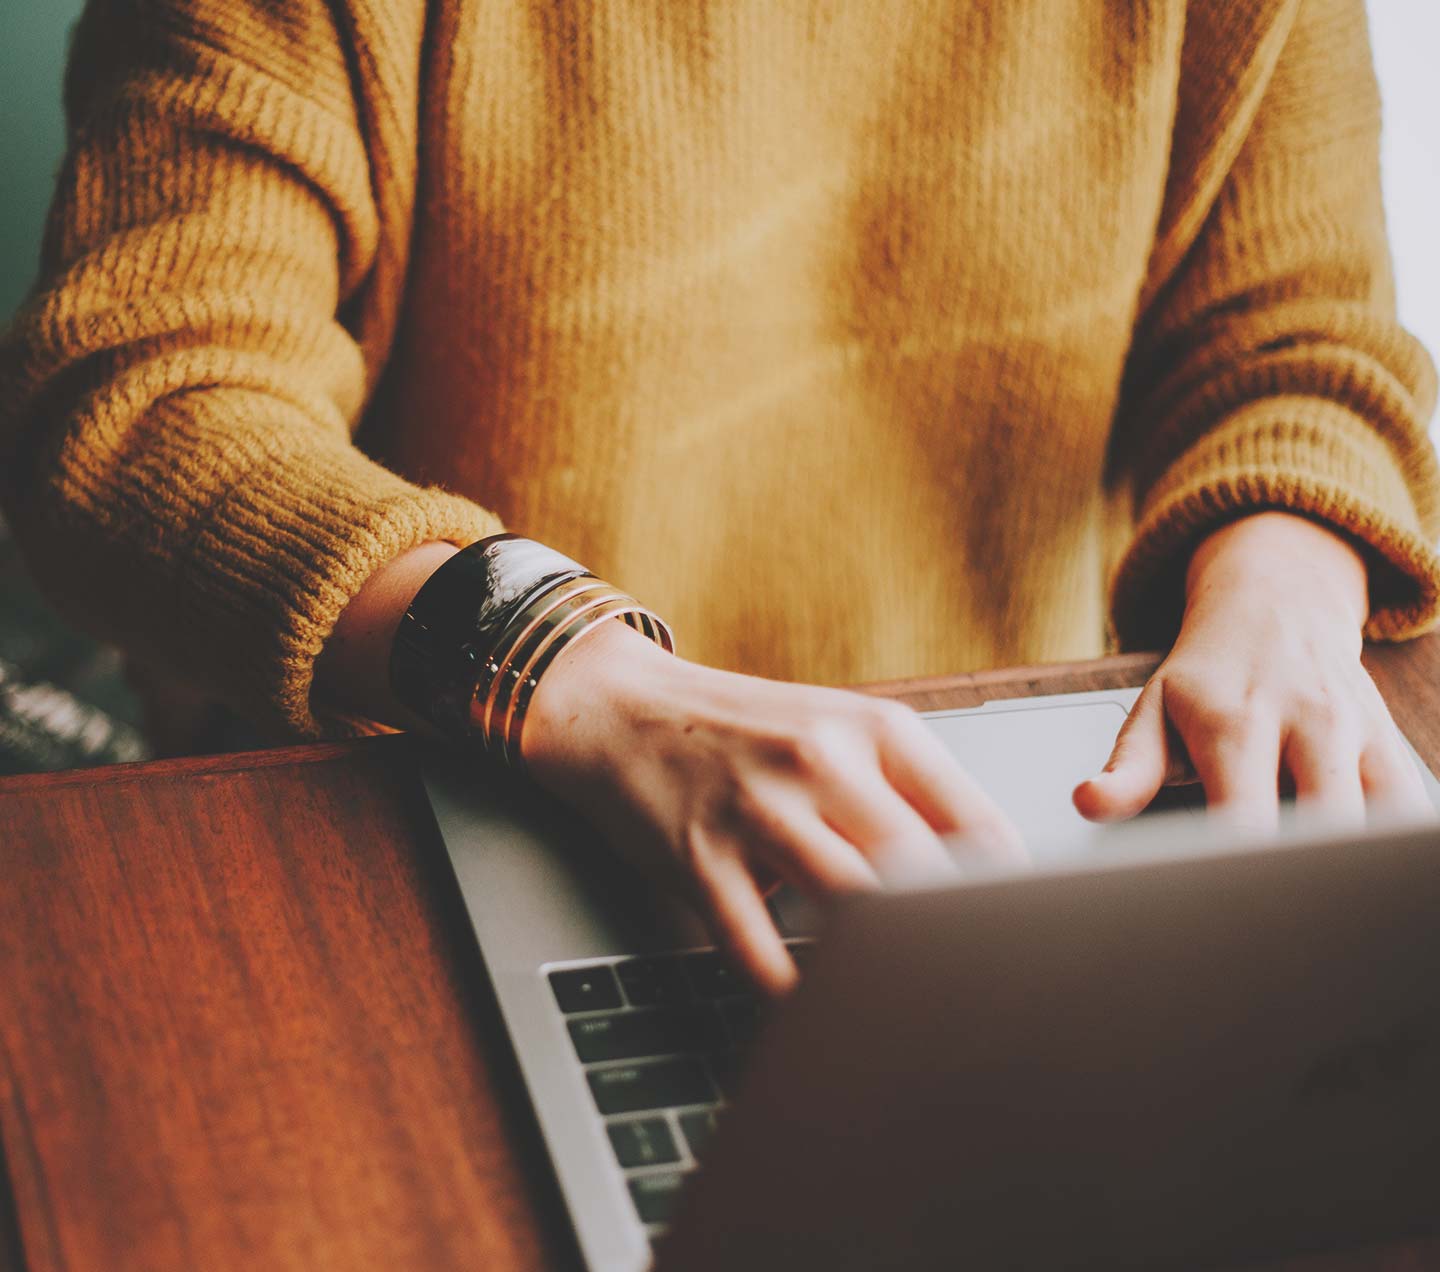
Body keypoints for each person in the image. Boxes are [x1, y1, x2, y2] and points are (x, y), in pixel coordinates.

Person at [2, 0, 1437, 994]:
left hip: (1017, 824)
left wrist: (1289, 582)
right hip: (440, 809)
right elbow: (139, 394)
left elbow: (1298, 336)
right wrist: (561, 667)